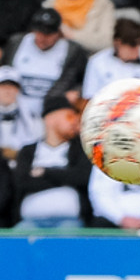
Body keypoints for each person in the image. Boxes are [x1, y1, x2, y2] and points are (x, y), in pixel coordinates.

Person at [13, 92, 91, 229]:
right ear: (50, 118)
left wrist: (45, 172)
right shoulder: (28, 151)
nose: (74, 121)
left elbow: (82, 177)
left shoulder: (80, 149)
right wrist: (64, 177)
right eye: (69, 116)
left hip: (70, 222)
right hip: (30, 222)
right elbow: (22, 182)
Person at [2, 7, 87, 120]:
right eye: (39, 32)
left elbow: (83, 78)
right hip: (16, 109)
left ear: (58, 33)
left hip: (52, 110)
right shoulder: (17, 43)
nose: (42, 38)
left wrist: (76, 91)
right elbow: (3, 72)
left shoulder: (72, 50)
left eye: (48, 34)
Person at [81, 18, 140, 99]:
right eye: (132, 45)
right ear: (118, 43)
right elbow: (89, 96)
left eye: (139, 44)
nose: (137, 50)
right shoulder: (97, 61)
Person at [0, 66, 40, 155]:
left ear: (18, 90)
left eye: (12, 86)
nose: (7, 91)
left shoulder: (32, 118)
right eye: (3, 86)